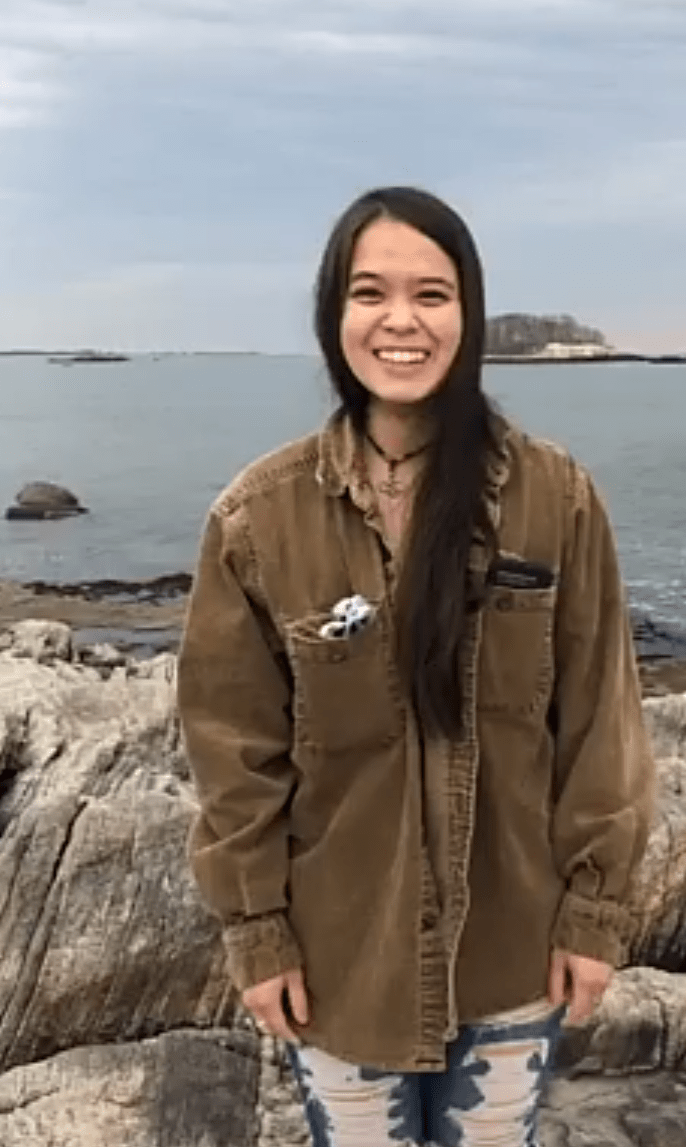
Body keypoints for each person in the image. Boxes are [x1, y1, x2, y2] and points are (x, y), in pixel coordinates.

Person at [176, 187, 656, 1147]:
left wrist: (594, 915)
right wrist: (257, 932)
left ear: (468, 315)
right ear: (334, 314)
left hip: (516, 949)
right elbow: (235, 754)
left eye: (432, 294)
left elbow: (603, 715)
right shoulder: (258, 518)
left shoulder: (555, 497)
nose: (402, 320)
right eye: (370, 292)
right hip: (339, 960)